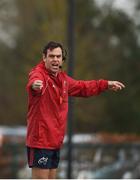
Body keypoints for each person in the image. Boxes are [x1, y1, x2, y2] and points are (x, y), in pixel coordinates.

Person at [26, 41, 125, 179]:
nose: (55, 59)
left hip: (54, 142)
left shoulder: (63, 80)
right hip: (40, 142)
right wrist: (35, 85)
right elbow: (34, 79)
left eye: (58, 56)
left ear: (62, 59)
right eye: (52, 56)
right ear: (44, 57)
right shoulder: (39, 75)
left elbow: (83, 87)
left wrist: (105, 84)